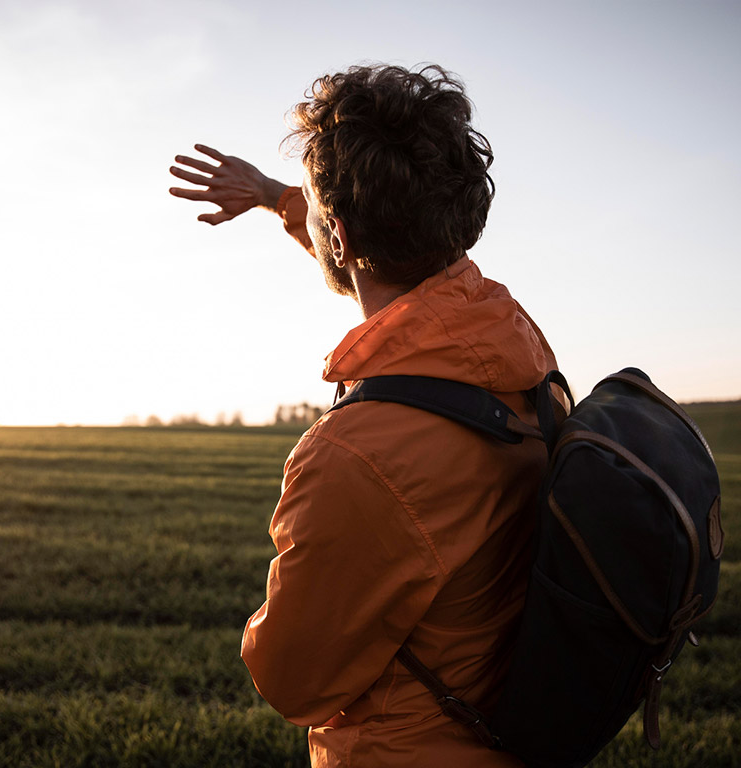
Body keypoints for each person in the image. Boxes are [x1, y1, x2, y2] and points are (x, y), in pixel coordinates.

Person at [169, 64, 558, 767]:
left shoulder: (357, 454)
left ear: (341, 236)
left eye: (320, 211)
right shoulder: (515, 346)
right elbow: (382, 255)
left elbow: (294, 681)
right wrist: (276, 197)